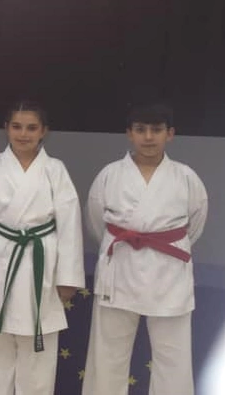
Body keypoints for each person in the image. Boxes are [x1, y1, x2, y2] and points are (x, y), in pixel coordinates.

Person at [0, 101, 85, 395]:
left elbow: (69, 225)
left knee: (38, 356)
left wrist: (68, 276)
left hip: (41, 266)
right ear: (6, 129)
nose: (23, 134)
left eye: (31, 128)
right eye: (16, 126)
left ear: (44, 132)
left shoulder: (55, 170)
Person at [82, 103, 208, 395]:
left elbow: (195, 225)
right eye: (140, 130)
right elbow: (96, 221)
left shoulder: (186, 178)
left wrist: (160, 243)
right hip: (120, 269)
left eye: (156, 130)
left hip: (169, 274)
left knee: (173, 358)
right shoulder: (110, 175)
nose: (148, 137)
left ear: (170, 134)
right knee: (108, 354)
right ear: (129, 134)